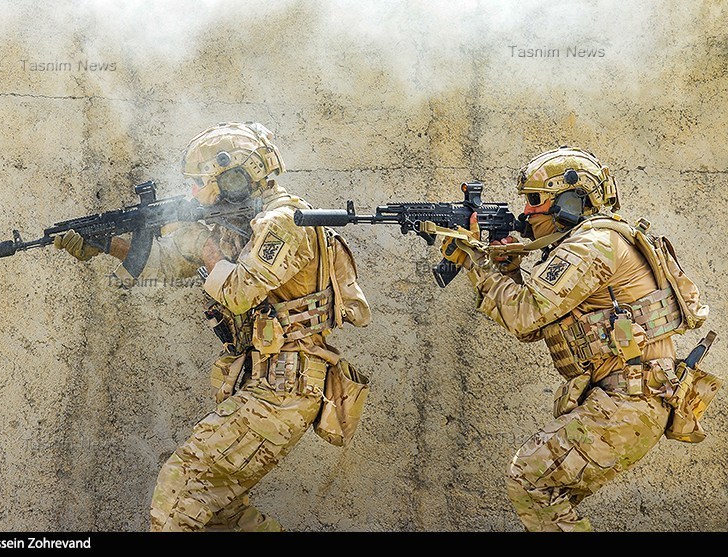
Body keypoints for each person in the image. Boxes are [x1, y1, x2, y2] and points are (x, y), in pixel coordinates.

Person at [54, 121, 371, 531]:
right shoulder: (236, 224)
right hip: (264, 384)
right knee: (222, 515)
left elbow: (239, 292)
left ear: (236, 177)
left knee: (181, 488)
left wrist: (198, 241)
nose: (195, 193)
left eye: (203, 182)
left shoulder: (284, 222)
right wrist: (104, 244)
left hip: (285, 388)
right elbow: (164, 264)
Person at [437, 146, 717, 531]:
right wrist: (507, 270)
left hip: (629, 401)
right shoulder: (592, 241)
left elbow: (523, 315)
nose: (527, 213)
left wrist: (475, 261)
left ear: (569, 202)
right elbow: (532, 326)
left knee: (531, 478)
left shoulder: (591, 245)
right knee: (545, 490)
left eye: (535, 200)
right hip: (625, 399)